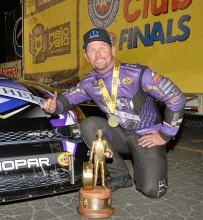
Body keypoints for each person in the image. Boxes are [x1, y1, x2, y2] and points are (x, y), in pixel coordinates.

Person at [43, 28, 185, 198]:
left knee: (153, 190)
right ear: (87, 57)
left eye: (102, 47)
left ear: (112, 50)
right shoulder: (89, 82)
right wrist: (54, 106)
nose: (98, 54)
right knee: (89, 125)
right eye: (92, 50)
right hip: (119, 133)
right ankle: (120, 176)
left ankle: (146, 162)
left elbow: (176, 97)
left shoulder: (138, 73)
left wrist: (166, 134)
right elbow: (67, 100)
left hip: (146, 136)